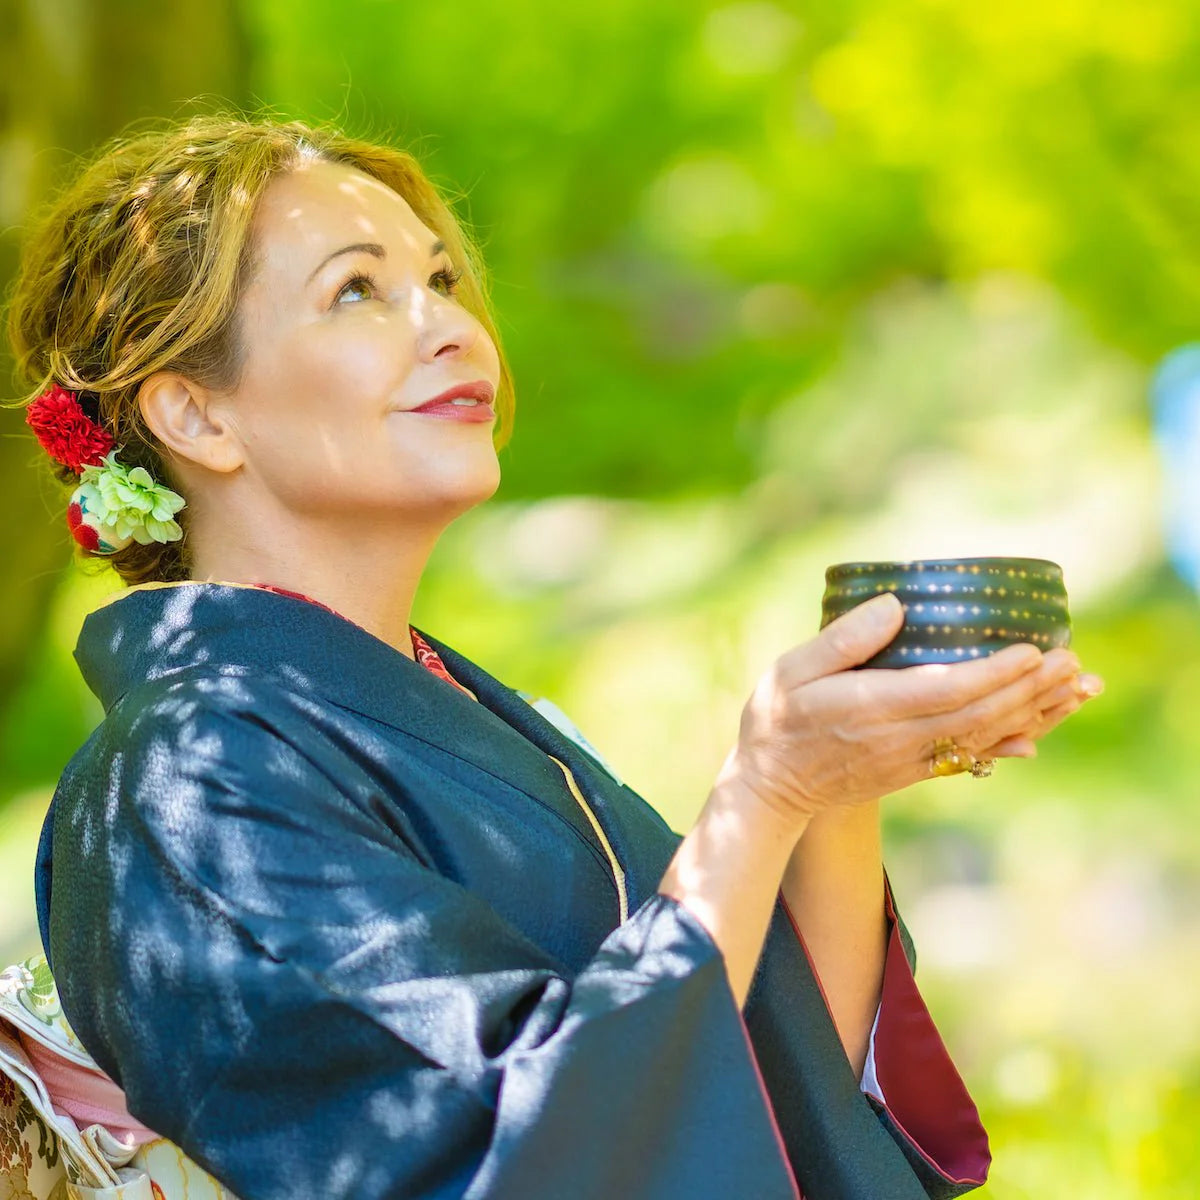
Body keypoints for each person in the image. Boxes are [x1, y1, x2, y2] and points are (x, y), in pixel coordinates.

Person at [3, 112, 1102, 1200]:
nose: (450, 328)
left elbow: (765, 1063)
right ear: (195, 417)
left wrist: (836, 789)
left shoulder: (433, 707)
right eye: (357, 290)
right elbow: (509, 1151)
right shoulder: (192, 777)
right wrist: (763, 793)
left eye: (440, 280)